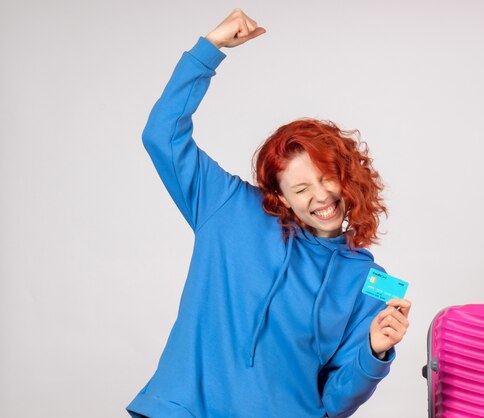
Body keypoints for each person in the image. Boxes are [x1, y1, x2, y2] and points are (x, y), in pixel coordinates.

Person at [127, 8, 411, 418]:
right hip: (180, 409)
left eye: (327, 178)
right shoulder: (229, 208)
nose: (320, 196)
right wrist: (210, 49)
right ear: (281, 196)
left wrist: (374, 353)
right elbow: (162, 135)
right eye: (300, 188)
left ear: (348, 175)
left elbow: (333, 403)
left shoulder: (370, 282)